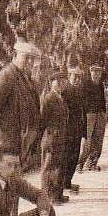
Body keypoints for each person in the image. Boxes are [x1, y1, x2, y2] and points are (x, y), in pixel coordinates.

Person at [0, 40, 43, 166]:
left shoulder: (25, 79)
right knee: (6, 178)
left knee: (15, 180)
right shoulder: (5, 77)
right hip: (6, 139)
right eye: (26, 58)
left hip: (21, 140)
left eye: (32, 59)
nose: (30, 62)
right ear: (15, 56)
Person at [40, 70, 71, 205]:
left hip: (60, 136)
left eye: (62, 82)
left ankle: (57, 194)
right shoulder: (48, 99)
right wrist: (48, 137)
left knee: (59, 166)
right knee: (49, 167)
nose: (60, 84)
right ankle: (48, 196)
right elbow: (42, 120)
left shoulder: (60, 98)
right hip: (51, 137)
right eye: (57, 82)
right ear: (51, 83)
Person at [59, 65, 87, 194]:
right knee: (67, 156)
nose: (76, 79)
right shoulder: (64, 91)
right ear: (69, 77)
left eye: (79, 77)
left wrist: (84, 132)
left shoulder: (80, 91)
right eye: (74, 76)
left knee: (75, 156)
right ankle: (64, 183)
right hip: (68, 129)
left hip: (77, 129)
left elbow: (83, 112)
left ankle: (68, 182)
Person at [78, 63, 108, 172]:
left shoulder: (100, 84)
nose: (96, 74)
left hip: (99, 114)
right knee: (86, 139)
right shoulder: (85, 84)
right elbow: (81, 101)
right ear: (90, 72)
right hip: (89, 114)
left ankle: (92, 163)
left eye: (98, 72)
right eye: (94, 71)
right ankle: (79, 164)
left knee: (98, 139)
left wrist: (104, 112)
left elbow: (103, 99)